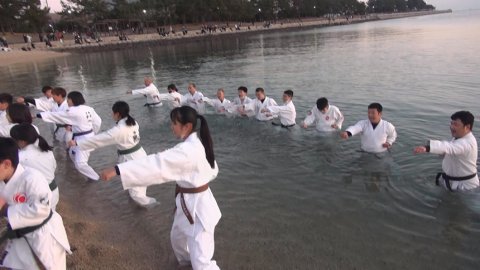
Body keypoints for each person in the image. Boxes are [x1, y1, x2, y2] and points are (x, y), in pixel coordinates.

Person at [101, 106, 221, 270]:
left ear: (187, 127)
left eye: (174, 123)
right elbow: (213, 170)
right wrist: (182, 168)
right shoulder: (194, 144)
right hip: (187, 202)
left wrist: (118, 170)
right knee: (177, 239)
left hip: (198, 209)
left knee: (202, 261)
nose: (171, 126)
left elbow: (156, 164)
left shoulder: (188, 150)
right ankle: (187, 265)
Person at [0, 137, 71, 269]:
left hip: (42, 235)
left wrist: (4, 209)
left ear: (6, 164)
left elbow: (41, 209)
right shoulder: (2, 178)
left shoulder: (32, 178)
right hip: (20, 234)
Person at [69, 101, 157, 206]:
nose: (112, 115)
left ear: (118, 114)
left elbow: (100, 139)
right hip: (139, 155)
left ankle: (153, 207)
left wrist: (78, 142)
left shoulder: (119, 130)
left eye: (113, 113)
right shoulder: (133, 122)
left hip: (131, 160)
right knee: (137, 187)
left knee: (137, 195)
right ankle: (139, 210)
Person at [36, 91, 102, 180]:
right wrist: (93, 132)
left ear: (73, 100)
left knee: (80, 163)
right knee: (72, 153)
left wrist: (38, 115)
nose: (67, 101)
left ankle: (95, 178)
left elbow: (56, 116)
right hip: (87, 135)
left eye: (69, 99)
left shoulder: (72, 110)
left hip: (82, 139)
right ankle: (86, 173)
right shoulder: (89, 108)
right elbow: (98, 122)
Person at [414, 111, 479, 191]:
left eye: (456, 124)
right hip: (452, 182)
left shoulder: (467, 143)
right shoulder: (459, 138)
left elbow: (449, 147)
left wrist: (427, 148)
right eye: (451, 123)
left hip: (466, 188)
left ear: (467, 127)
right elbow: (449, 149)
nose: (451, 127)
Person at [10, 123, 60, 210]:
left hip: (39, 196)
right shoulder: (47, 151)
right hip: (54, 191)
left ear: (22, 141)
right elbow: (54, 168)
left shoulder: (20, 156)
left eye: (14, 140)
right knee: (50, 216)